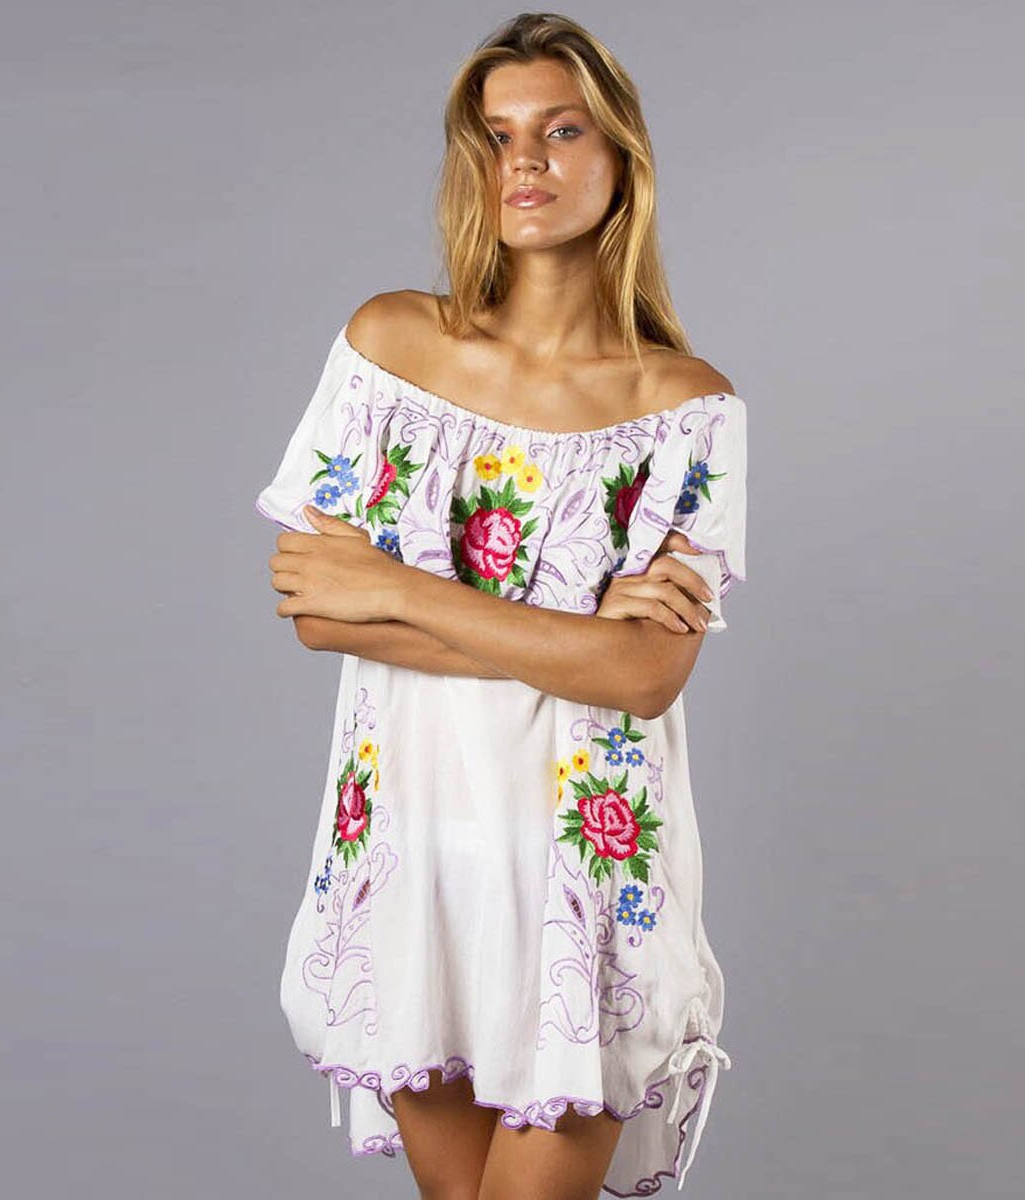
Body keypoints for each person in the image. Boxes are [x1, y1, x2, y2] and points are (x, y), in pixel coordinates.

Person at [256, 13, 748, 1198]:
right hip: (412, 855)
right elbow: (317, 606)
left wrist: (397, 588)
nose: (523, 160)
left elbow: (644, 678)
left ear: (622, 155)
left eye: (561, 130)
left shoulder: (690, 410)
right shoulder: (388, 346)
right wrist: (578, 639)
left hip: (582, 868)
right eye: (495, 136)